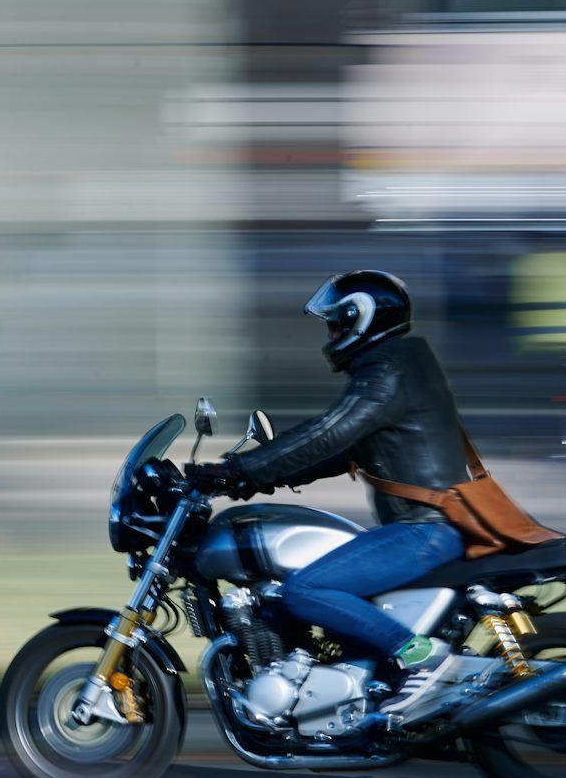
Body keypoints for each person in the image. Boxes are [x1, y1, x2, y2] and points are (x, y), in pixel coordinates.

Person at [185, 270, 474, 712]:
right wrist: (259, 478)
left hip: (422, 530)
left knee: (304, 591)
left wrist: (236, 469)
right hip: (422, 527)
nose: (331, 333)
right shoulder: (400, 365)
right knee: (290, 598)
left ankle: (419, 659)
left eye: (335, 323)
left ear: (362, 319)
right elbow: (341, 452)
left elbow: (330, 432)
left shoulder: (388, 370)